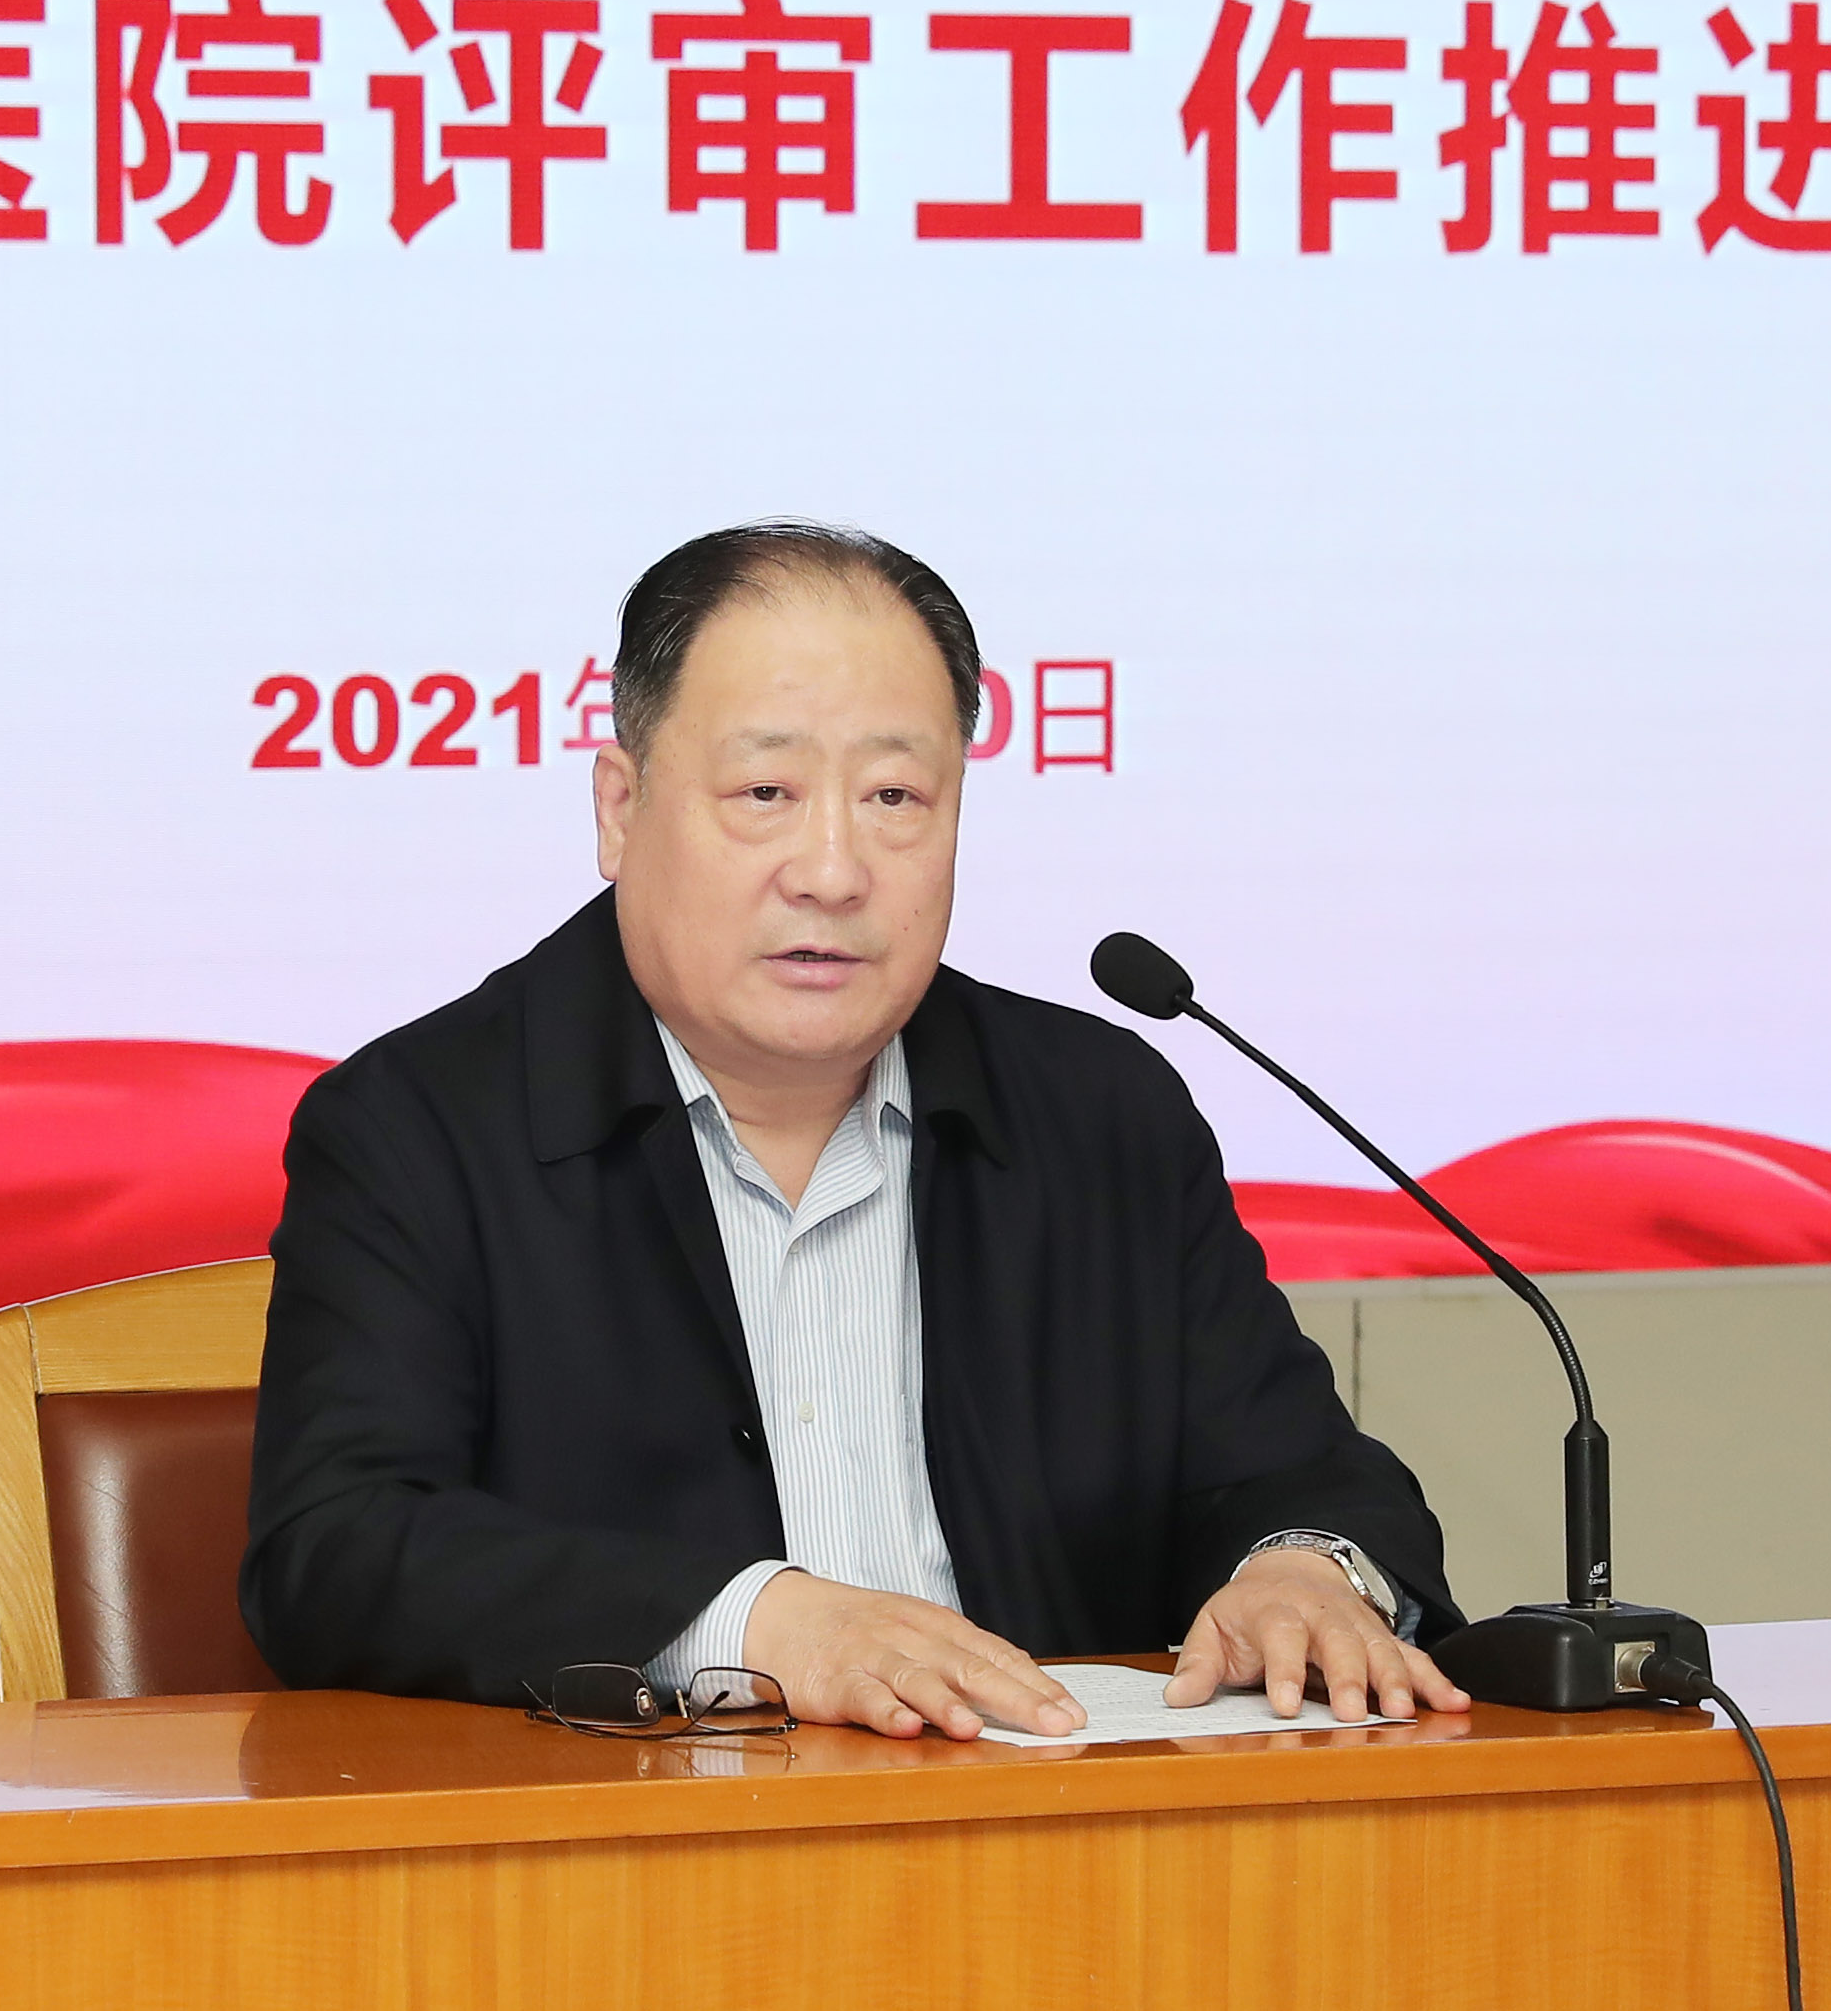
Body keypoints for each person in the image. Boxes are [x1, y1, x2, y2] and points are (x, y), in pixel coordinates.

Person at [241, 524, 1463, 1737]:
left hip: (1067, 1828)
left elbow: (1301, 1469)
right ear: (619, 807)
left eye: (893, 797)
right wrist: (756, 1626)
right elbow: (338, 1544)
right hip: (640, 1838)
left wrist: (1305, 1571)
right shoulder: (418, 1128)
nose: (831, 871)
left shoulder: (1097, 1115)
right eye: (764, 794)